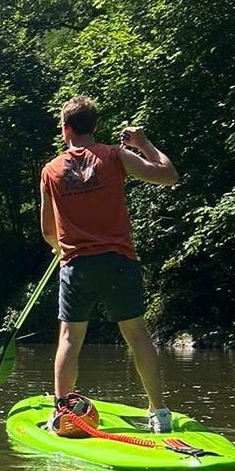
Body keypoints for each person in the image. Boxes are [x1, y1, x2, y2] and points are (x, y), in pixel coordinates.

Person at [39, 95, 179, 434]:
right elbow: (168, 175)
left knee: (70, 339)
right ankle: (159, 414)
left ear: (65, 129)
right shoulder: (116, 156)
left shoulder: (51, 170)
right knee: (136, 335)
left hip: (76, 266)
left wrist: (63, 248)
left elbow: (47, 231)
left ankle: (63, 414)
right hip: (119, 261)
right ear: (96, 127)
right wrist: (144, 143)